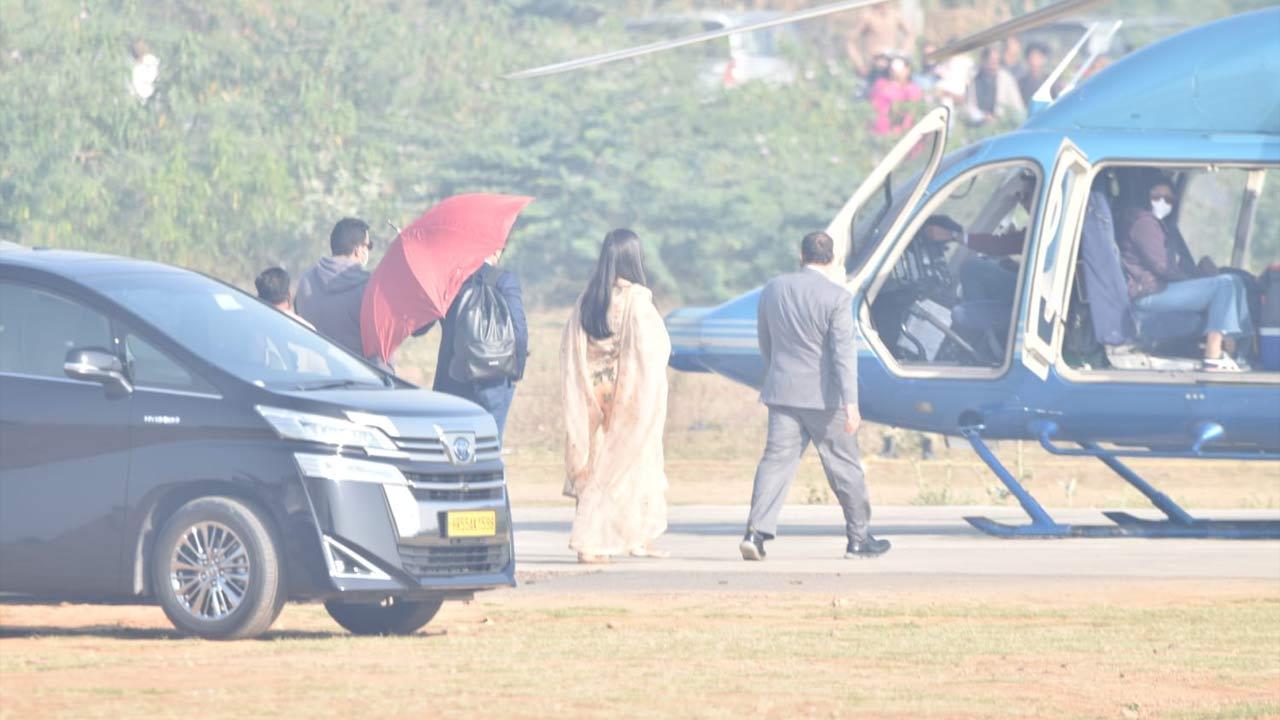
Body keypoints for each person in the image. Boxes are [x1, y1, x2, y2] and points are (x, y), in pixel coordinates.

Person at [743, 231, 889, 561]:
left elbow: (765, 340)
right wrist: (851, 403)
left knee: (775, 463)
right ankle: (858, 539)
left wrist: (775, 377)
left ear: (801, 256)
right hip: (825, 400)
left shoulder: (774, 288)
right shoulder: (837, 297)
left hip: (782, 393)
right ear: (833, 259)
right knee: (845, 468)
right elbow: (842, 354)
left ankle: (755, 533)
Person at [561, 229, 671, 564]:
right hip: (627, 395)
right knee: (627, 465)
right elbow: (655, 349)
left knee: (598, 463)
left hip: (593, 392)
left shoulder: (589, 298)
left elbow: (573, 348)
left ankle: (636, 537)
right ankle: (590, 543)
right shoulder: (637, 299)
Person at [1118, 176, 1252, 371]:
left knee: (1236, 281)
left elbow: (1182, 264)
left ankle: (1239, 352)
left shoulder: (1163, 225)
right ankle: (1213, 356)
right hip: (1148, 293)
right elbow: (1163, 266)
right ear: (1146, 196)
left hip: (1162, 287)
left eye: (1169, 199)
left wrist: (1201, 275)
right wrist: (1200, 281)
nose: (1163, 202)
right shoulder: (1143, 223)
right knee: (1224, 285)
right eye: (1157, 196)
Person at [434, 247, 528, 438]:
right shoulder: (505, 281)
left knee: (455, 444)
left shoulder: (452, 281)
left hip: (455, 379)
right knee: (490, 444)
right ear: (496, 251)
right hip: (495, 379)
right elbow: (518, 330)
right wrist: (517, 370)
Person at [295, 218, 373, 357]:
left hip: (314, 371)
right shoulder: (369, 288)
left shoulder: (305, 281)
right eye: (369, 245)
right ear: (358, 250)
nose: (369, 251)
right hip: (362, 373)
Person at [967, 47, 1025, 125]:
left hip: (1002, 126)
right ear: (983, 60)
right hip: (977, 126)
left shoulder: (1006, 79)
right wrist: (982, 117)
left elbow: (1018, 108)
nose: (993, 64)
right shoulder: (974, 78)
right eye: (990, 60)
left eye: (996, 60)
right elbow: (969, 107)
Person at [868, 55, 923, 135]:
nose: (894, 72)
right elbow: (873, 105)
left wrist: (902, 132)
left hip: (899, 133)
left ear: (907, 70)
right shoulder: (880, 84)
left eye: (899, 69)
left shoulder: (912, 89)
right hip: (877, 131)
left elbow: (911, 113)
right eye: (892, 69)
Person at [1017, 42, 1050, 107]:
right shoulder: (1021, 82)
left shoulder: (1050, 81)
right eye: (1032, 57)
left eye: (1038, 58)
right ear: (1027, 59)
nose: (1034, 61)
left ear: (1043, 59)